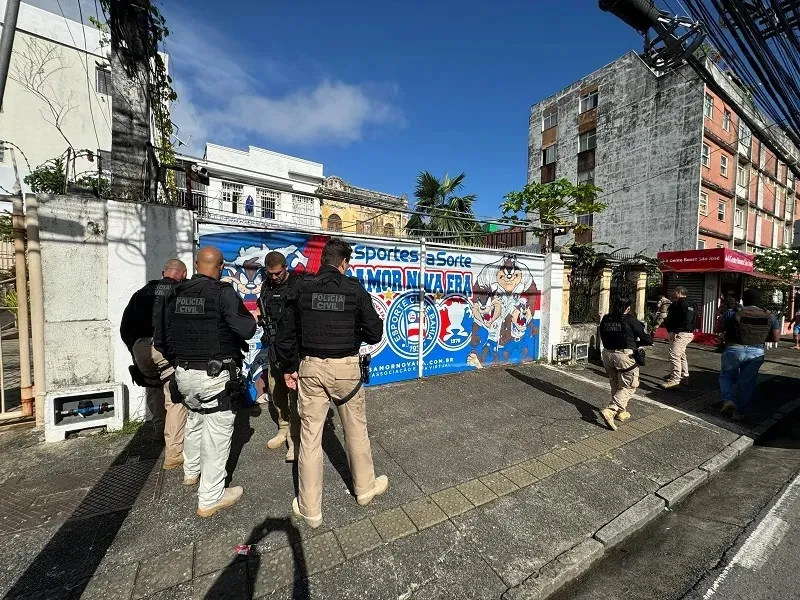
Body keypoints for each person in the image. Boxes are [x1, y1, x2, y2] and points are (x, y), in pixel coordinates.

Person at [275, 238, 387, 528]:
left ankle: (310, 510)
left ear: (322, 260)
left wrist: (288, 368)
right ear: (343, 263)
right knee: (356, 432)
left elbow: (284, 334)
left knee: (310, 441)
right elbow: (375, 333)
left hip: (310, 368)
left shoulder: (301, 289)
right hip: (346, 369)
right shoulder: (354, 289)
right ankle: (364, 490)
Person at [155, 247, 257, 518]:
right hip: (214, 376)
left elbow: (162, 338)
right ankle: (211, 496)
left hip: (183, 372)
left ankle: (191, 472)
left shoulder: (174, 293)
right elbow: (246, 329)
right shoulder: (222, 293)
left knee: (194, 419)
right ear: (221, 267)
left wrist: (181, 360)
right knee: (217, 434)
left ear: (196, 264)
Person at [120, 259, 188, 469]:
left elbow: (125, 327)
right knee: (174, 396)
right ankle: (174, 452)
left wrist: (135, 348)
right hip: (164, 347)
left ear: (163, 272)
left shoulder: (140, 293)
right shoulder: (180, 292)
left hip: (140, 346)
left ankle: (158, 432)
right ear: (183, 275)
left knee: (153, 386)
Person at [259, 251, 303, 461]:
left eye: (277, 273)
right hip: (274, 347)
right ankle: (283, 428)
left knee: (295, 395)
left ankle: (295, 437)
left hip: (294, 350)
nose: (274, 277)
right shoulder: (266, 286)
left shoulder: (298, 284)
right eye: (270, 274)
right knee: (276, 390)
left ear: (286, 267)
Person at [715, 288, 780, 419]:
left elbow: (717, 329)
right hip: (757, 351)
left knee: (726, 375)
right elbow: (775, 338)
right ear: (759, 301)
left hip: (734, 348)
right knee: (747, 383)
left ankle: (728, 400)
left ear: (743, 300)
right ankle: (739, 413)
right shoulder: (769, 316)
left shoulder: (732, 313)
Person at [598, 297, 653, 430]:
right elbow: (647, 339)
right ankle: (612, 410)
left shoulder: (606, 319)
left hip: (607, 354)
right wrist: (638, 342)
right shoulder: (630, 320)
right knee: (629, 385)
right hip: (624, 356)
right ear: (628, 308)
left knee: (616, 382)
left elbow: (602, 335)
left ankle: (621, 412)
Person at [662, 286, 697, 389]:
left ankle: (675, 380)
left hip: (681, 333)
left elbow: (687, 319)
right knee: (681, 354)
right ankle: (684, 376)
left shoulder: (684, 303)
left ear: (678, 292)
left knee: (674, 355)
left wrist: (676, 331)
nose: (672, 293)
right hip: (682, 332)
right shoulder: (689, 303)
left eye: (673, 291)